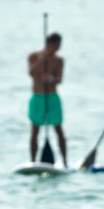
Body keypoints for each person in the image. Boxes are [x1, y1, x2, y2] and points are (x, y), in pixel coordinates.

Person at [28, 33, 66, 166]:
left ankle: (65, 162)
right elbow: (32, 73)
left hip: (52, 97)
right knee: (35, 130)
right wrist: (42, 59)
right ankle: (33, 162)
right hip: (38, 97)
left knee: (58, 129)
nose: (58, 47)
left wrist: (51, 79)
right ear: (50, 43)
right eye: (56, 45)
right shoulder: (34, 56)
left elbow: (59, 79)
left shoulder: (59, 60)